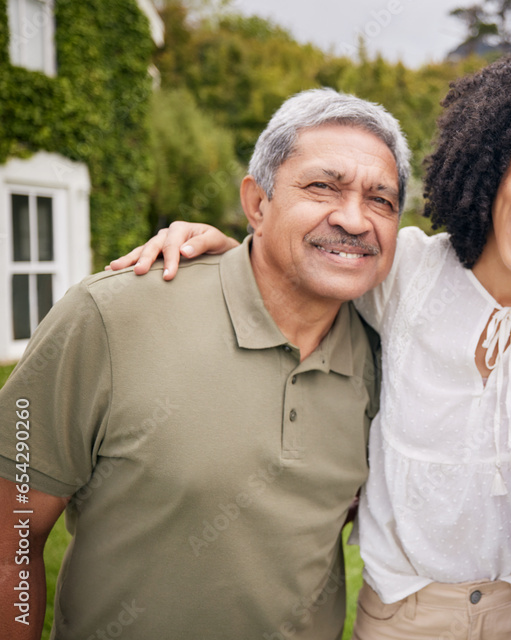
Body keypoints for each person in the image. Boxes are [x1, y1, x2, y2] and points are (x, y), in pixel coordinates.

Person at [106, 40, 511, 639]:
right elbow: (299, 263)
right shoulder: (405, 272)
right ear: (495, 157)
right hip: (404, 614)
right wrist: (222, 243)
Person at [0, 88, 410, 640]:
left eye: (381, 200)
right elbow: (10, 541)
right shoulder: (111, 316)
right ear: (258, 203)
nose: (356, 219)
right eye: (323, 186)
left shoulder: (388, 362)